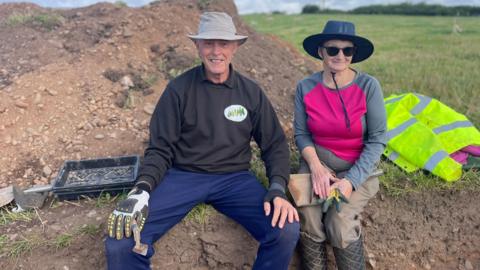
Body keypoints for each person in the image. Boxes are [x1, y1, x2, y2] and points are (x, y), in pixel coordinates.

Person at [105, 12, 300, 270]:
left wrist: (276, 188)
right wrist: (142, 188)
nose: (216, 51)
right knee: (121, 242)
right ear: (197, 46)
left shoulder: (251, 93)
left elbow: (274, 145)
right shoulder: (178, 90)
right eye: (208, 43)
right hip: (183, 176)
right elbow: (160, 149)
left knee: (286, 229)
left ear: (235, 46)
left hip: (235, 180)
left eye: (223, 43)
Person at [293, 20, 386, 270]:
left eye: (348, 50)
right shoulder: (305, 87)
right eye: (333, 49)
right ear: (321, 51)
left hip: (357, 168)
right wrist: (315, 166)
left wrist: (350, 181)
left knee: (339, 221)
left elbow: (378, 139)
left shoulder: (368, 86)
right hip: (318, 164)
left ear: (353, 54)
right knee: (309, 217)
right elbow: (301, 134)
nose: (340, 56)